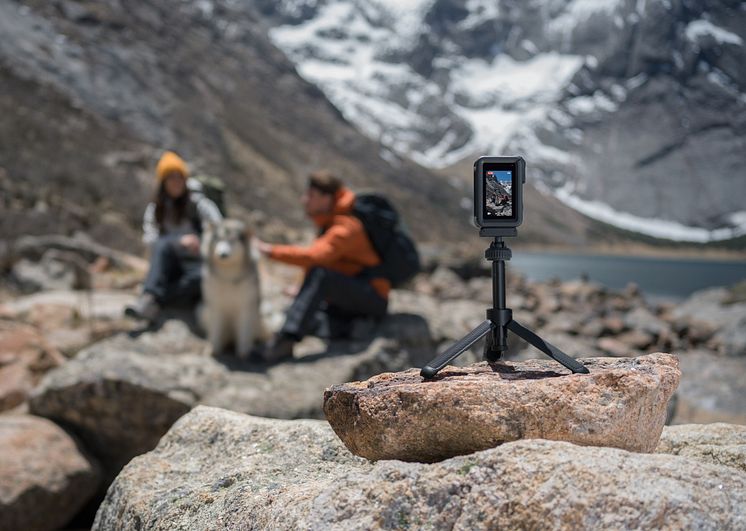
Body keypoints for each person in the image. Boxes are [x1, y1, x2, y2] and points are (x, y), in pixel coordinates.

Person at [255, 170, 389, 362]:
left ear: (326, 199)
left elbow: (316, 258)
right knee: (301, 309)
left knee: (319, 277)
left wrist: (270, 251)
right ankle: (353, 327)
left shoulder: (345, 227)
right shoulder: (332, 222)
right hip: (355, 293)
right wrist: (303, 290)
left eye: (311, 195)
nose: (304, 200)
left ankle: (284, 342)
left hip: (373, 298)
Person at [124, 151, 223, 322]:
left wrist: (201, 241)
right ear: (163, 182)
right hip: (169, 264)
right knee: (163, 245)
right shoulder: (156, 209)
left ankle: (155, 300)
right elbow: (150, 239)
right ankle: (149, 299)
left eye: (179, 177)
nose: (176, 182)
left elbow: (219, 230)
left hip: (197, 263)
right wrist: (177, 242)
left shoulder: (199, 204)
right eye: (171, 177)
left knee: (201, 279)